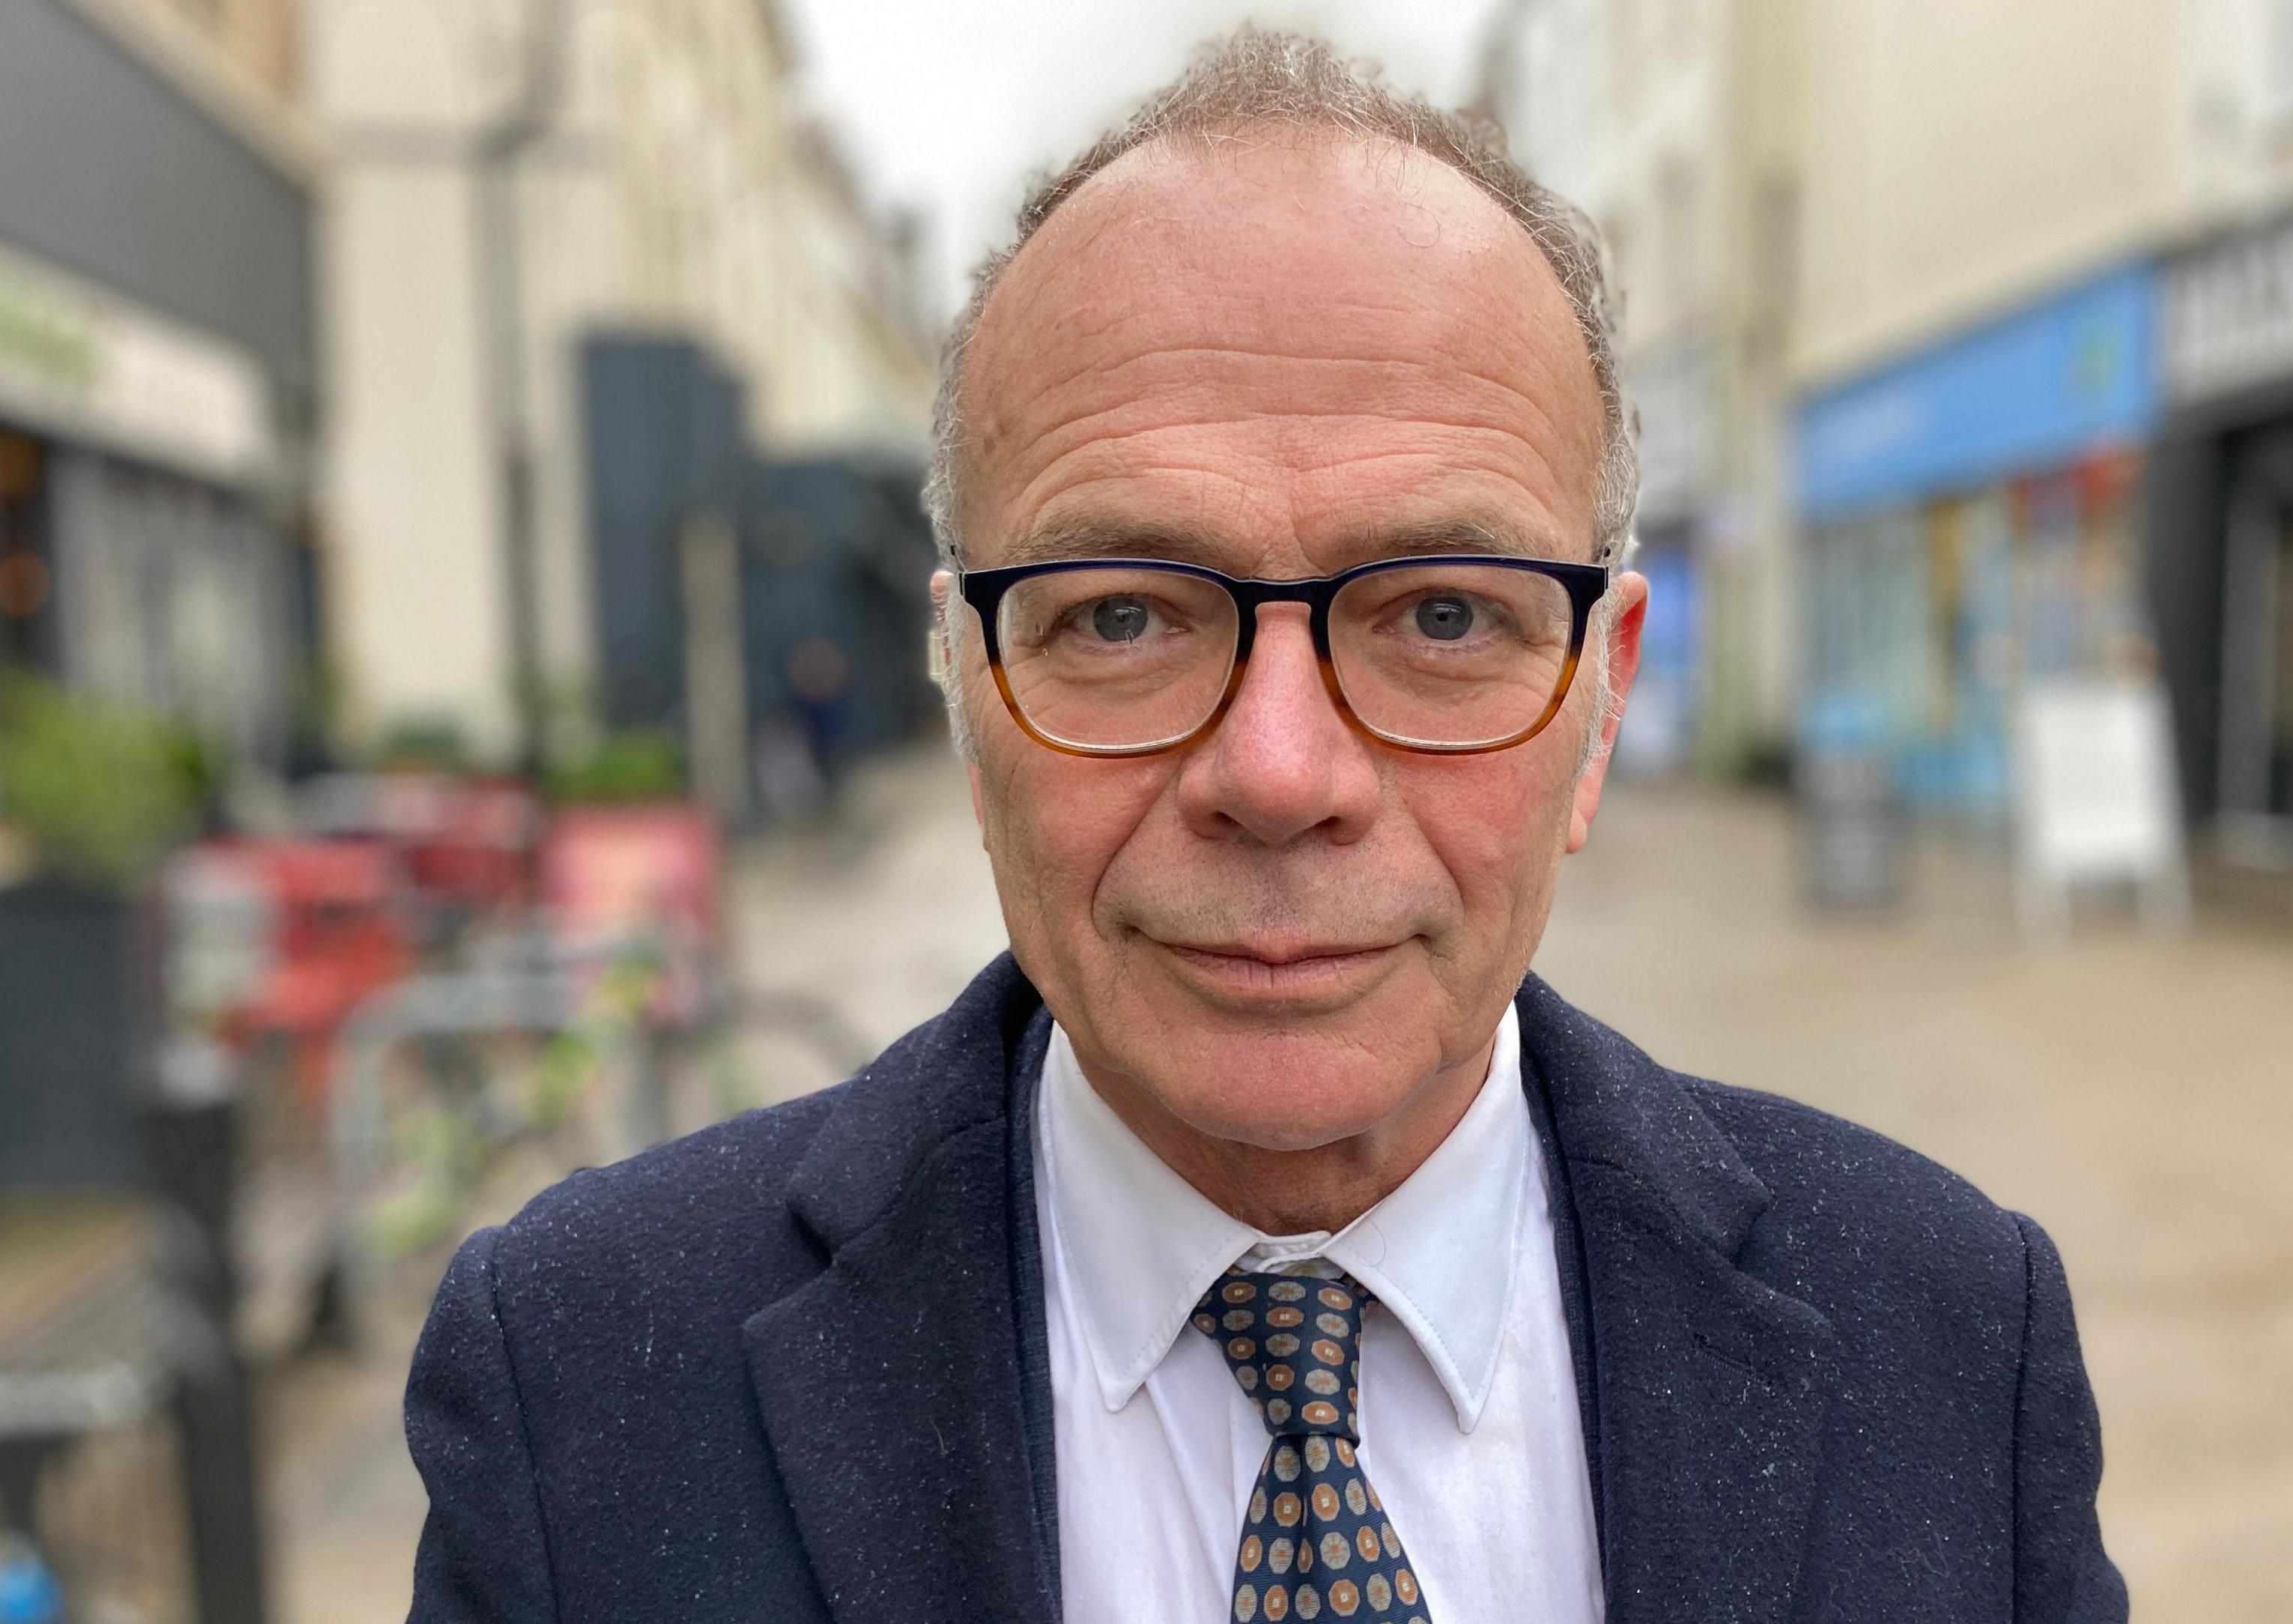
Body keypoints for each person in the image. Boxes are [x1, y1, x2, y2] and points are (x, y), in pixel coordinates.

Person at [404, 29, 2128, 1624]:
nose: (1282, 772)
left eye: (1445, 617)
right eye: (1125, 617)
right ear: (961, 684)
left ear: (1598, 705)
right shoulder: (580, 1386)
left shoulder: (1957, 1344)